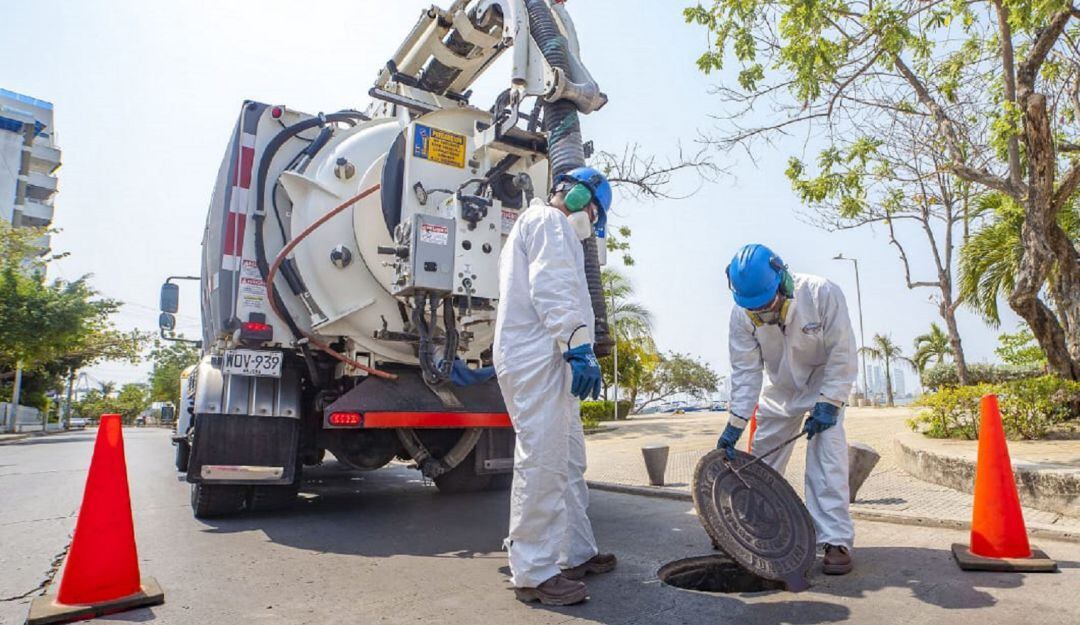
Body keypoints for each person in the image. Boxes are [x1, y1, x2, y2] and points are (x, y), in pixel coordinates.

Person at [493, 166, 617, 606]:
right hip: (539, 358)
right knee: (543, 461)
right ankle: (534, 571)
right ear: (583, 198)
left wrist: (574, 346)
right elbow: (554, 288)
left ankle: (574, 552)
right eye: (596, 210)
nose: (593, 222)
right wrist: (577, 347)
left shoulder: (542, 225)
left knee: (567, 460)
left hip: (547, 356)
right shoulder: (549, 221)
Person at [718, 243, 859, 575]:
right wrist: (735, 423)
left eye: (767, 305)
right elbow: (746, 372)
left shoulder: (822, 293)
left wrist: (830, 402)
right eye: (755, 309)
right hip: (778, 389)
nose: (763, 314)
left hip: (823, 386)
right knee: (761, 462)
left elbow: (843, 352)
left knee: (827, 459)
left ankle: (836, 539)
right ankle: (751, 526)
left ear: (782, 283)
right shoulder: (742, 315)